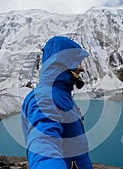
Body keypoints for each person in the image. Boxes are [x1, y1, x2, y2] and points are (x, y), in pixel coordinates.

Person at [21, 36, 93, 169]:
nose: (81, 68)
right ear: (63, 61)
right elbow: (44, 146)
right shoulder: (45, 98)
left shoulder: (60, 95)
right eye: (77, 61)